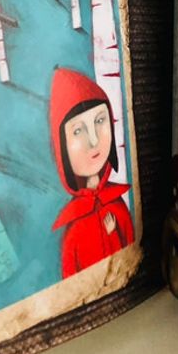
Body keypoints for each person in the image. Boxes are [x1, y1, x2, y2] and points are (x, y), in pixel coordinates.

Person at [50, 68, 134, 277]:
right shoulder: (73, 231)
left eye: (99, 121)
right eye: (78, 130)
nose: (94, 140)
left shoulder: (118, 206)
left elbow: (130, 257)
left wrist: (113, 235)